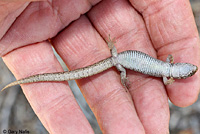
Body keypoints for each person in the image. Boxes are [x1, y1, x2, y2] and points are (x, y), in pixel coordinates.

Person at [0, 0, 199, 133]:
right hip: (119, 61)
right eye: (189, 69)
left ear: (177, 67)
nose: (189, 68)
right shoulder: (166, 73)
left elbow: (168, 65)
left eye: (188, 70)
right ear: (177, 69)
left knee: (105, 71)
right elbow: (167, 78)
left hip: (120, 58)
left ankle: (120, 73)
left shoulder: (167, 65)